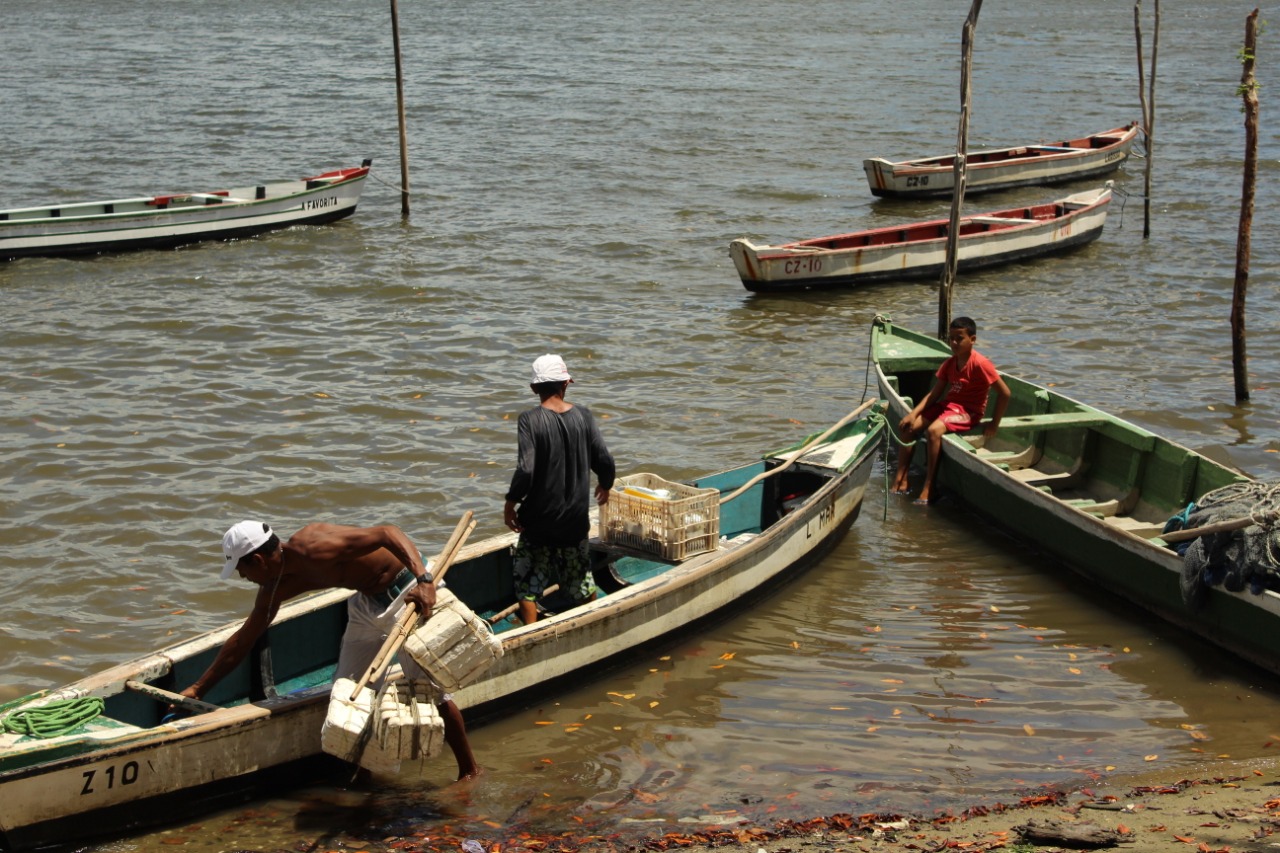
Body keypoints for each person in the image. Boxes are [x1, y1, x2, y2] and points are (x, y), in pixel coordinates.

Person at [180, 520, 481, 780]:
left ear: (258, 560)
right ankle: (366, 773)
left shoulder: (314, 544)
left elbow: (387, 533)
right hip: (366, 602)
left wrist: (424, 580)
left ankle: (469, 770)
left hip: (409, 591)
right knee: (348, 694)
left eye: (241, 571)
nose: (243, 579)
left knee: (429, 691)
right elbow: (245, 638)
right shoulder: (275, 587)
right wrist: (198, 688)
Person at [503, 354, 616, 625]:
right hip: (574, 523)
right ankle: (595, 624)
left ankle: (530, 635)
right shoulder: (585, 417)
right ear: (566, 384)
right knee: (581, 581)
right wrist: (606, 483)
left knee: (527, 586)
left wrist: (511, 502)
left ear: (534, 388)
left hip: (539, 522)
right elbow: (605, 459)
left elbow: (526, 469)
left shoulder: (529, 420)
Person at [891, 316, 1011, 506]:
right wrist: (913, 414)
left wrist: (994, 424)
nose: (954, 343)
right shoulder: (949, 363)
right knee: (908, 427)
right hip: (948, 407)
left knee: (933, 430)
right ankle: (900, 479)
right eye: (951, 338)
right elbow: (934, 395)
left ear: (972, 340)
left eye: (959, 338)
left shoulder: (980, 364)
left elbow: (1005, 393)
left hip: (969, 412)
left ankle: (930, 487)